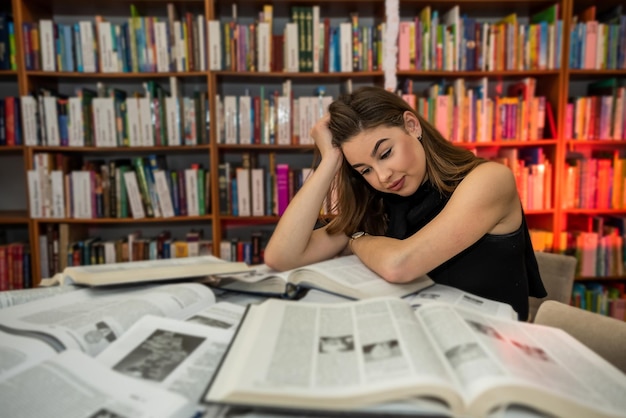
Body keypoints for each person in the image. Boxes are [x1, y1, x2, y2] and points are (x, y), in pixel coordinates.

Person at [264, 86, 546, 320]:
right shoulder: (379, 199)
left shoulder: (490, 180)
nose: (382, 177)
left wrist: (356, 240)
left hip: (490, 347)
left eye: (385, 153)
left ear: (412, 126)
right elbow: (281, 257)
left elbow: (401, 265)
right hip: (423, 336)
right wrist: (330, 161)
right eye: (364, 170)